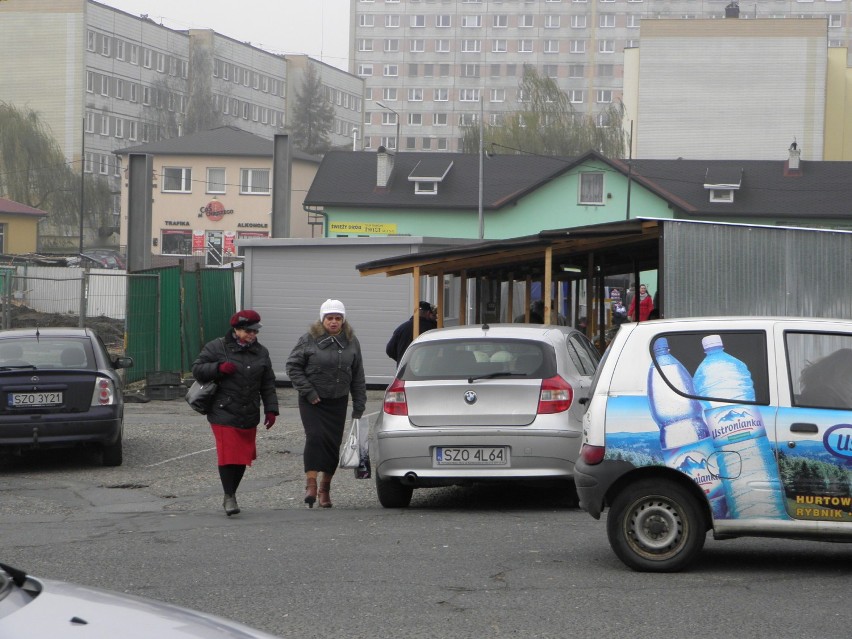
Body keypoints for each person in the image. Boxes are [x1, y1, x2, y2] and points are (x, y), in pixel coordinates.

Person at [192, 309, 279, 517]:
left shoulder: (261, 352)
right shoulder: (217, 347)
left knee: (242, 457)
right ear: (236, 330)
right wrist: (218, 368)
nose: (252, 335)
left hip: (248, 411)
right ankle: (229, 495)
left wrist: (271, 409)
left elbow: (267, 383)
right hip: (223, 410)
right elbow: (197, 369)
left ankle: (232, 493)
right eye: (248, 331)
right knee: (228, 454)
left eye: (255, 332)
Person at [286, 299, 367, 508]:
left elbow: (357, 374)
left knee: (332, 443)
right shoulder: (308, 339)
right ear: (322, 320)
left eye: (338, 318)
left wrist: (359, 404)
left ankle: (325, 488)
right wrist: (309, 391)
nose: (333, 322)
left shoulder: (351, 341)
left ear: (343, 320)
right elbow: (293, 367)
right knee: (315, 437)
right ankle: (311, 484)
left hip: (337, 400)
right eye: (329, 318)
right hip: (313, 400)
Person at [385, 300, 438, 365]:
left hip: (405, 370)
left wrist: (402, 360)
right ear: (428, 313)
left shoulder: (401, 328)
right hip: (428, 370)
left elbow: (390, 350)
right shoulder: (434, 329)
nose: (436, 317)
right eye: (434, 314)